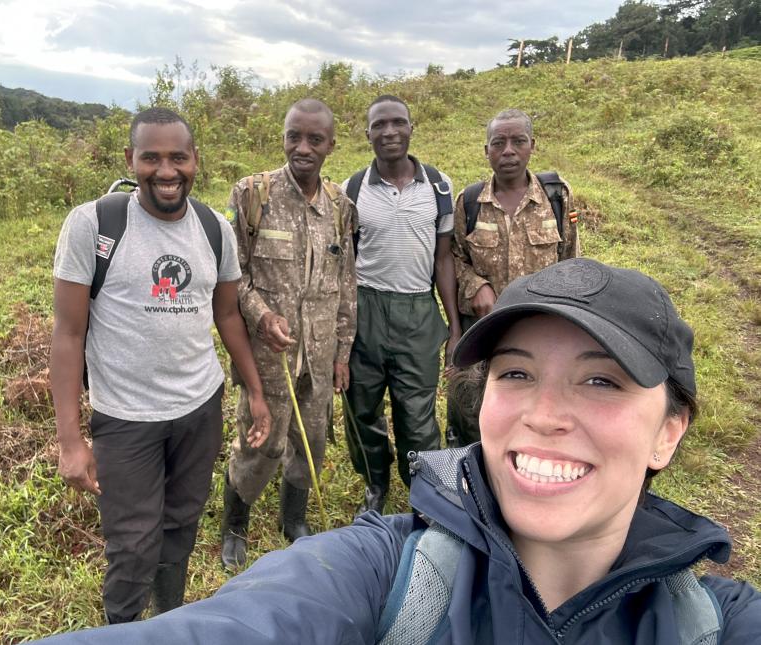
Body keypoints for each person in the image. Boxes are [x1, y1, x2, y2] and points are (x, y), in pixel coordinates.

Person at [36, 258, 760, 644]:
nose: (543, 415)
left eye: (600, 380)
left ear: (671, 428)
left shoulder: (717, 625)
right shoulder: (388, 574)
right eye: (516, 372)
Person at [50, 107, 270, 623]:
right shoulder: (94, 225)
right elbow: (68, 333)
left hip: (199, 408)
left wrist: (255, 392)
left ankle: (168, 617)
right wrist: (69, 440)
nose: (166, 171)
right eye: (151, 158)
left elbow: (228, 317)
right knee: (131, 544)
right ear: (131, 159)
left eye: (178, 157)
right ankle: (122, 629)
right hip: (125, 418)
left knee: (181, 525)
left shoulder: (215, 229)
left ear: (196, 161)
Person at [218, 98, 357, 570]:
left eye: (314, 139)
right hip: (267, 355)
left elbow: (346, 283)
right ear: (283, 136)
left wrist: (343, 351)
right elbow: (233, 275)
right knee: (261, 441)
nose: (302, 147)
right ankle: (235, 525)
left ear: (330, 146)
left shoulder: (341, 207)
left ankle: (292, 520)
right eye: (294, 136)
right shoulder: (252, 194)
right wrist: (260, 316)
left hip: (318, 356)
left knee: (311, 440)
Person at [343, 95, 462, 515]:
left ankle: (422, 491)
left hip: (417, 311)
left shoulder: (439, 187)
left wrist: (454, 326)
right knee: (361, 406)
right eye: (379, 125)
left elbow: (443, 257)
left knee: (418, 412)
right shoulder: (352, 189)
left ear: (412, 128)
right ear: (368, 134)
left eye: (397, 123)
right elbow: (344, 262)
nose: (389, 132)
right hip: (365, 309)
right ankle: (375, 481)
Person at [448, 108, 579, 446]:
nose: (508, 151)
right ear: (486, 150)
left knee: (533, 413)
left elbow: (570, 262)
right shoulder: (470, 201)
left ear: (532, 145)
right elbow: (455, 257)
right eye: (498, 143)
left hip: (541, 332)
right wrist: (476, 285)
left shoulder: (556, 198)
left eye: (518, 141)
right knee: (471, 410)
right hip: (482, 331)